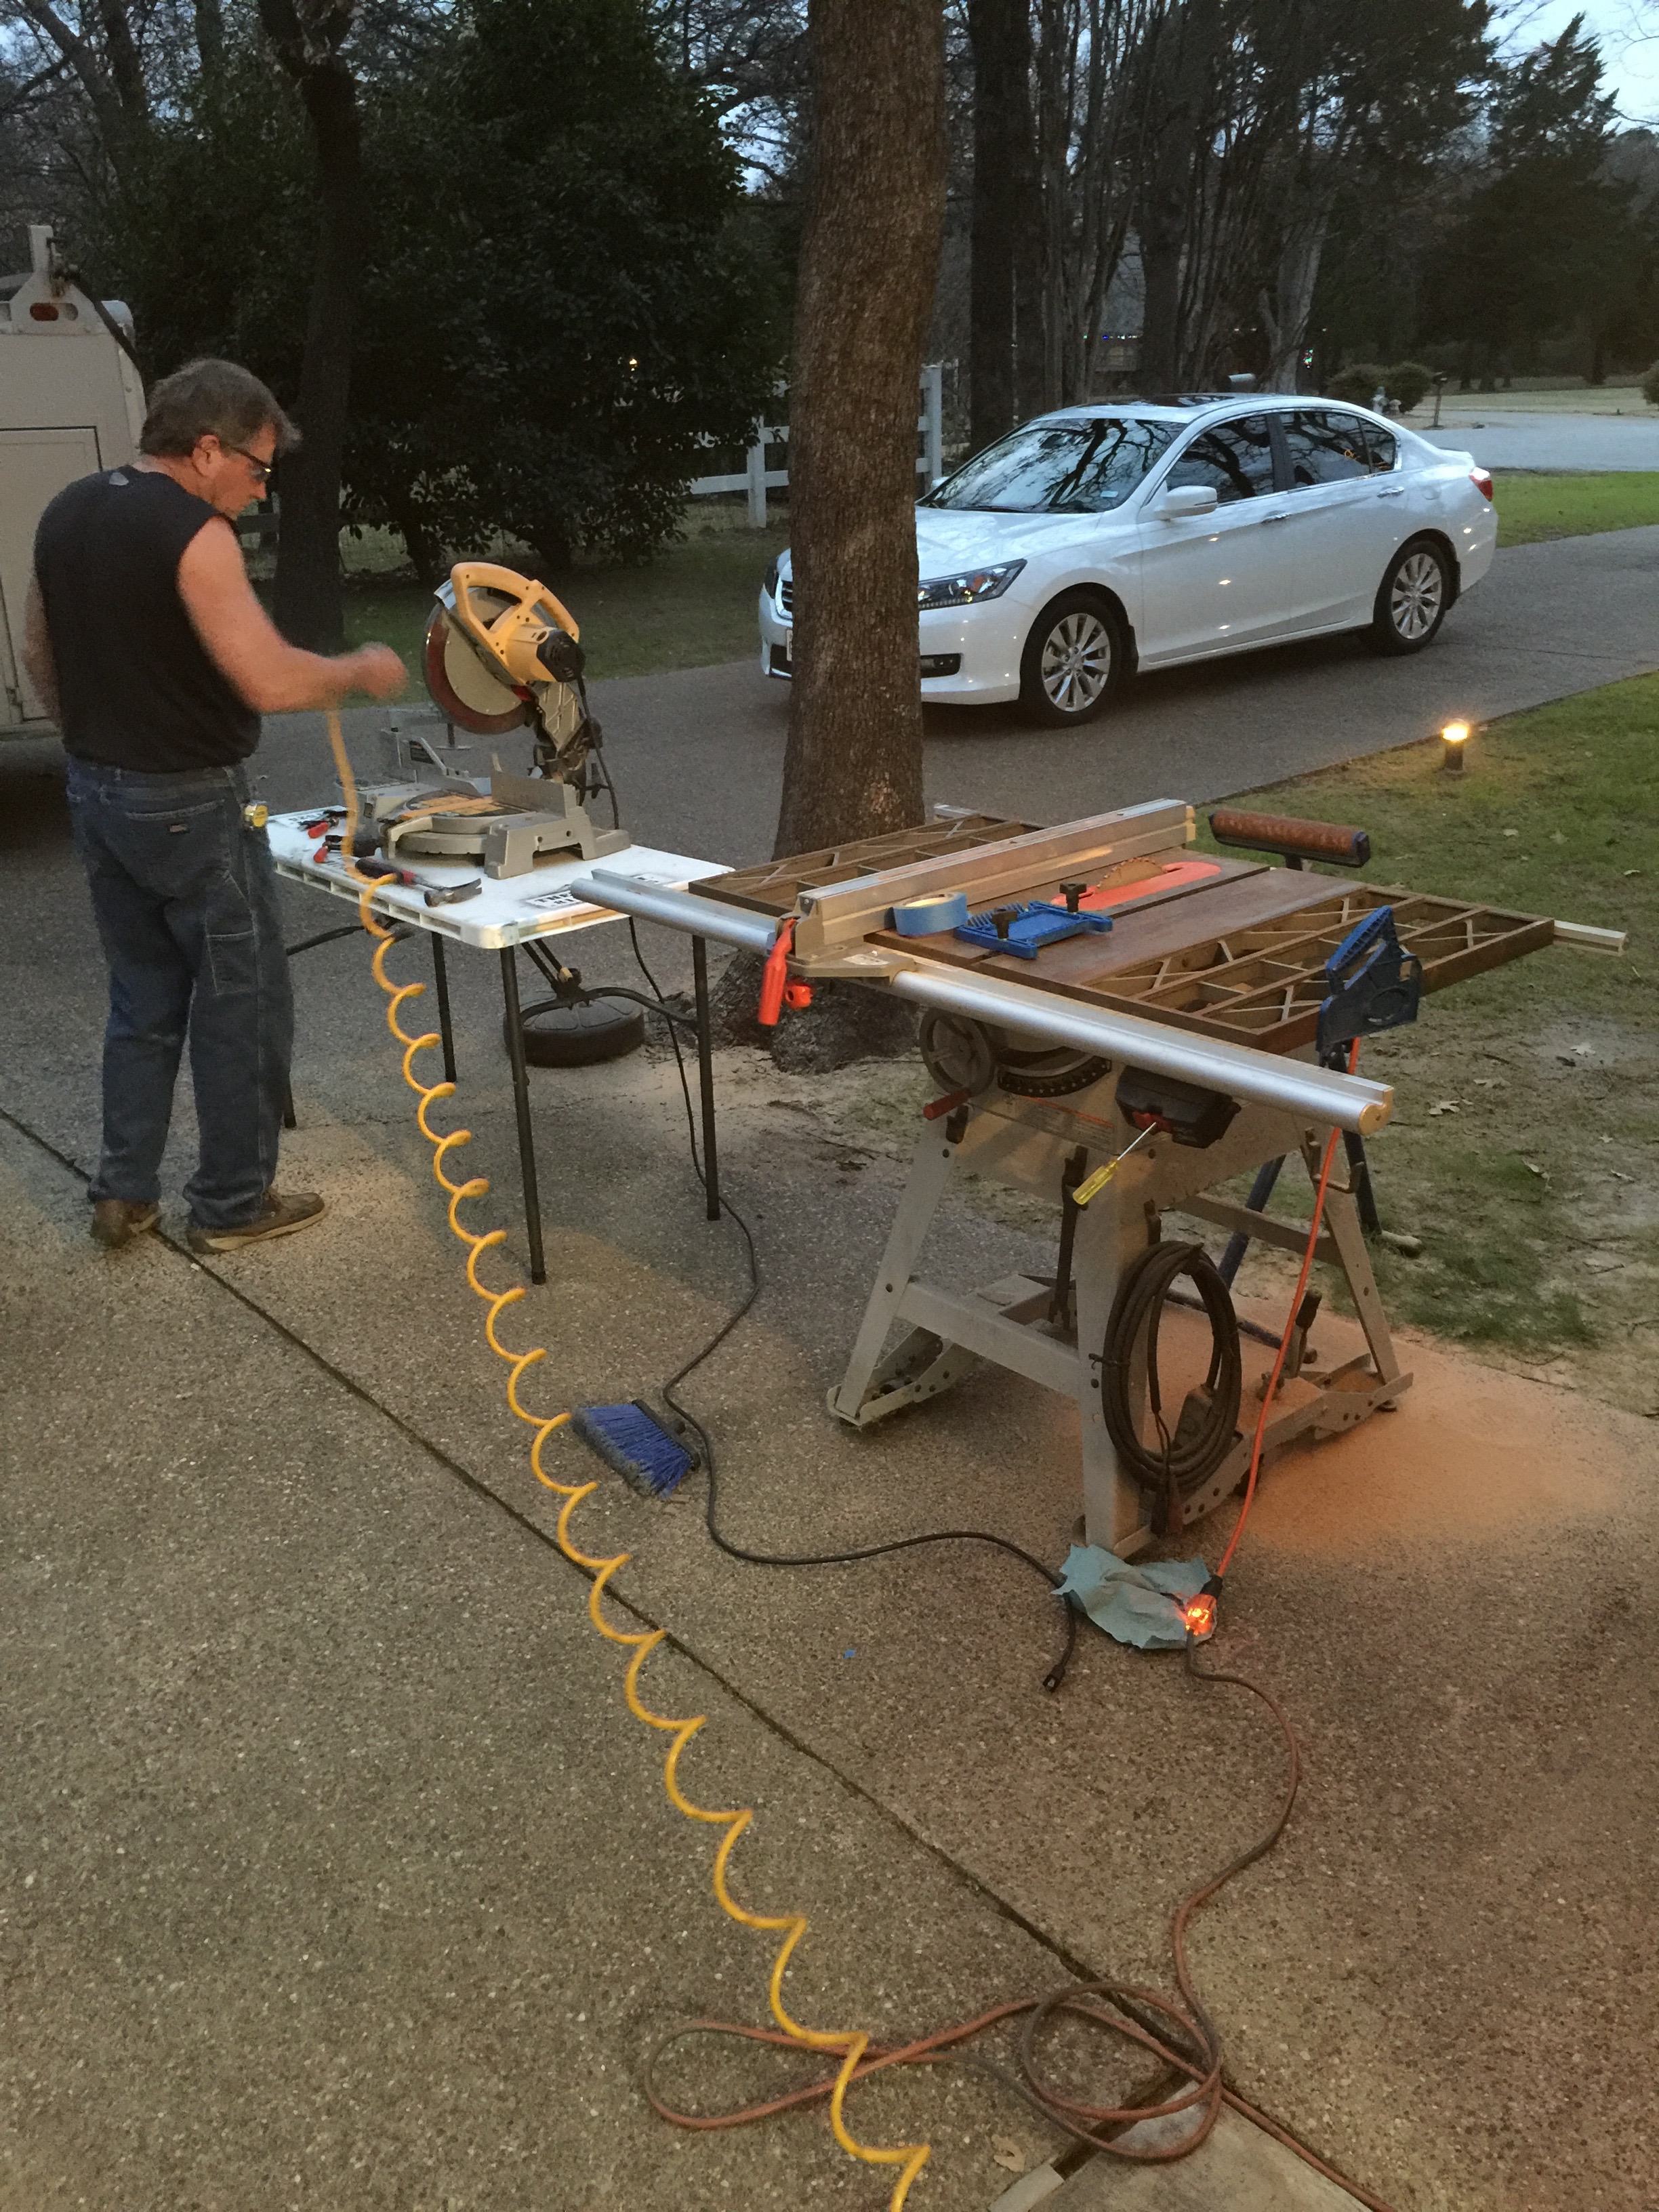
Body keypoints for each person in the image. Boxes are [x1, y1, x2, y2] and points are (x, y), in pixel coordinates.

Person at [22, 356, 405, 1254]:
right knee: (244, 1000)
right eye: (257, 468)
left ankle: (123, 1193)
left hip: (97, 792)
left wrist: (97, 743)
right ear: (206, 448)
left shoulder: (67, 512)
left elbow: (40, 651)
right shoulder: (195, 533)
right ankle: (234, 1204)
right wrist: (357, 671)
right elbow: (267, 680)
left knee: (143, 998)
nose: (259, 489)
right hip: (192, 804)